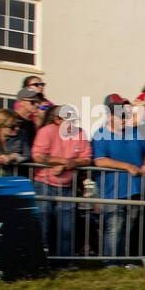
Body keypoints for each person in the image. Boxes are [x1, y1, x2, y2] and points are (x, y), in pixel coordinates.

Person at [93, 94, 145, 259]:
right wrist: (126, 166)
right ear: (111, 116)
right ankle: (111, 263)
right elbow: (99, 161)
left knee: (129, 227)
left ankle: (124, 260)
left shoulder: (135, 132)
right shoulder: (100, 134)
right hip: (113, 190)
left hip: (134, 188)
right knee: (114, 227)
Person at [31, 104, 92, 255]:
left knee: (67, 228)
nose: (73, 123)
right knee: (43, 225)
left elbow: (87, 158)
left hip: (68, 186)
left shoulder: (80, 133)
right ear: (57, 119)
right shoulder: (46, 132)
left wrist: (70, 164)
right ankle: (41, 260)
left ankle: (64, 262)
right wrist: (63, 162)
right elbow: (38, 156)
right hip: (44, 184)